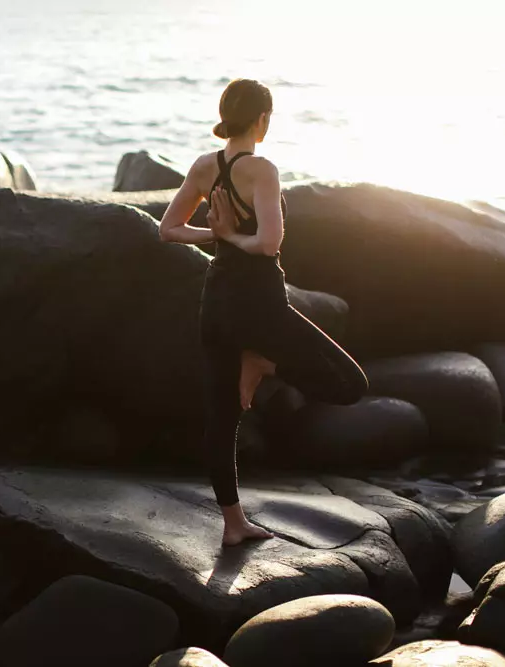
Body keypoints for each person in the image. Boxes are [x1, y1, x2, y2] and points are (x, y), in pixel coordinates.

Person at [159, 79, 368, 547]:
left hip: (216, 303)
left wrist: (214, 234)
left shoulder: (202, 166)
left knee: (222, 418)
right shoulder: (262, 169)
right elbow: (268, 243)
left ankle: (233, 525)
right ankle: (264, 361)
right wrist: (230, 236)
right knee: (351, 383)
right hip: (260, 304)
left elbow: (168, 230)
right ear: (262, 119)